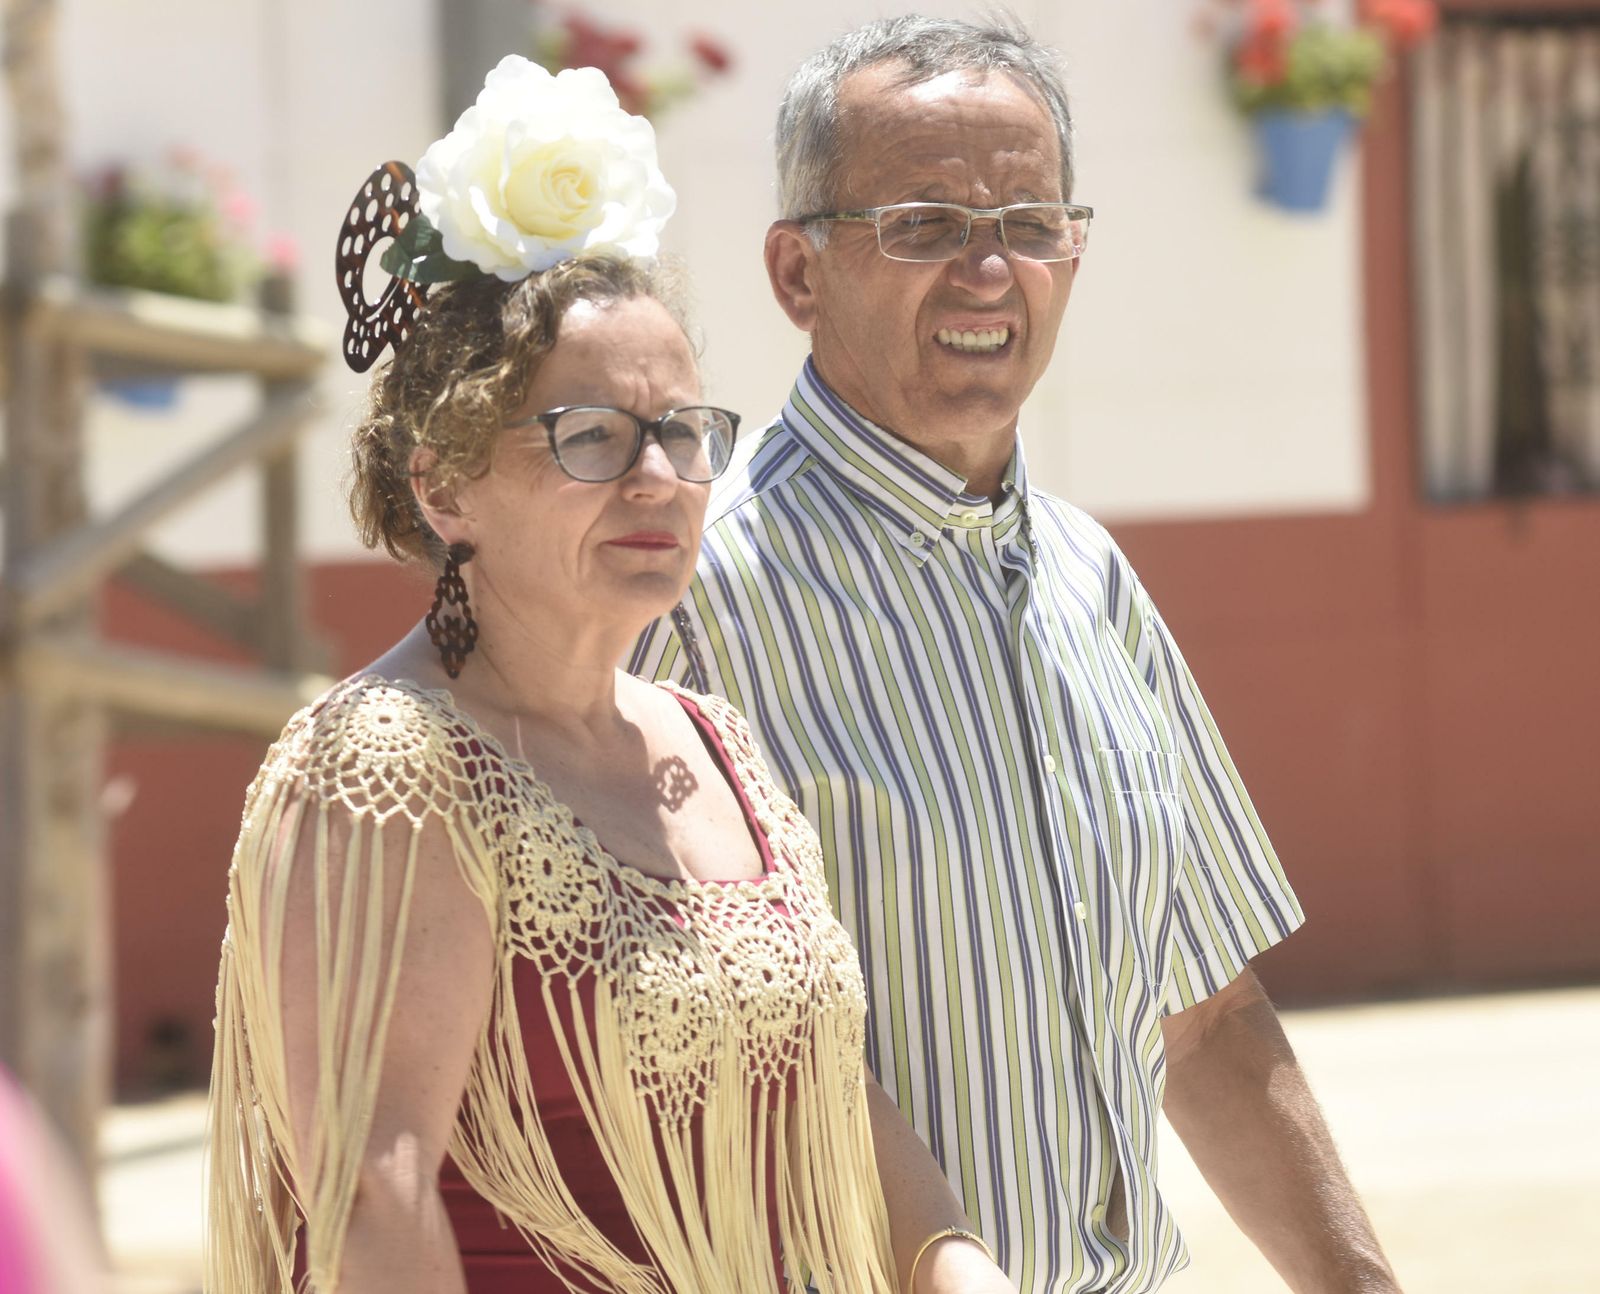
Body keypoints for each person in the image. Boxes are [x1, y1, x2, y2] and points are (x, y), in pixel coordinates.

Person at [206, 56, 1017, 1294]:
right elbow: (376, 1193)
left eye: (685, 432)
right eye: (590, 436)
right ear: (443, 484)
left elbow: (836, 1096)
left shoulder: (713, 741)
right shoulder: (386, 768)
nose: (657, 478)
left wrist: (960, 1270)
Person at [632, 16, 1400, 1294]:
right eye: (925, 225)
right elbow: (659, 1051)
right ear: (797, 273)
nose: (991, 273)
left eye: (1031, 225)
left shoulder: (1088, 576)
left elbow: (1202, 1009)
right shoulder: (698, 594)